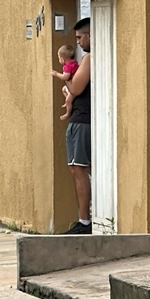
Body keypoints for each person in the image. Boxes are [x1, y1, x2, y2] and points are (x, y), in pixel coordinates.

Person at [62, 19, 92, 235]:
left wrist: (66, 79)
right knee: (78, 168)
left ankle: (85, 221)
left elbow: (76, 87)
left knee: (78, 168)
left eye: (80, 38)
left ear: (90, 35)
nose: (79, 43)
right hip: (82, 118)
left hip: (82, 120)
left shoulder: (89, 58)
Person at [50, 44, 79, 121]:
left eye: (59, 58)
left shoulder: (68, 66)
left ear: (62, 59)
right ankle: (68, 101)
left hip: (73, 87)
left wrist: (56, 74)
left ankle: (68, 113)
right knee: (63, 89)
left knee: (68, 100)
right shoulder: (74, 63)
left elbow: (65, 77)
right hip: (74, 85)